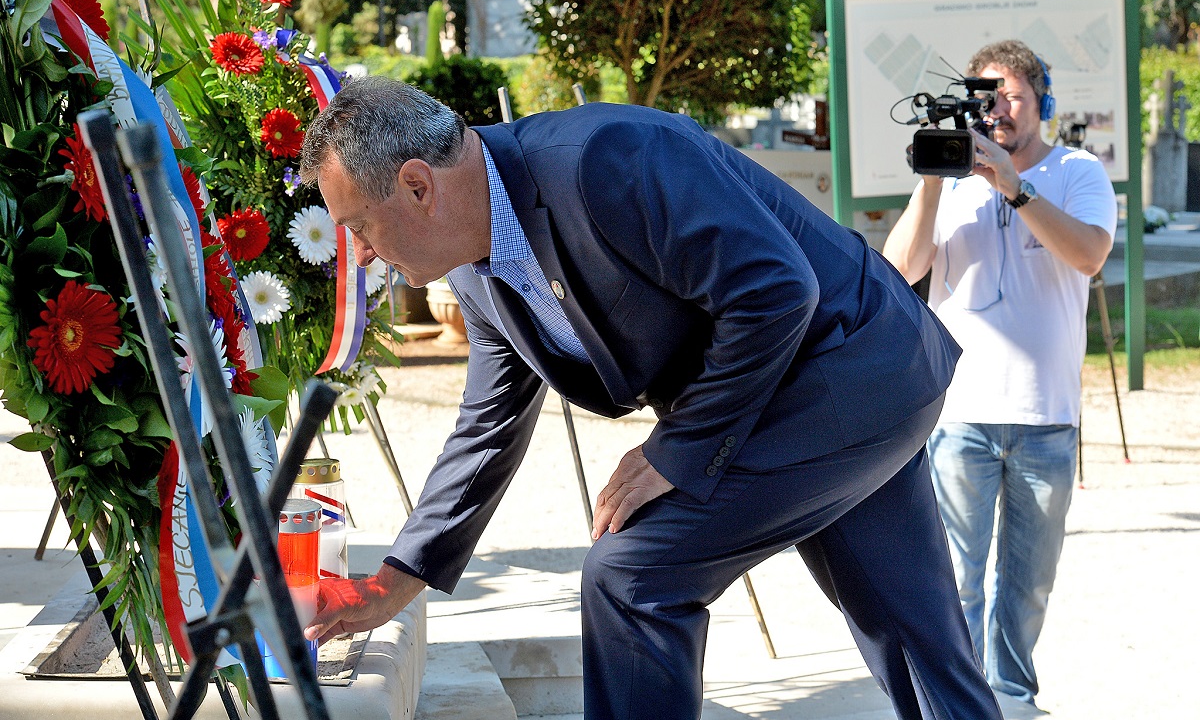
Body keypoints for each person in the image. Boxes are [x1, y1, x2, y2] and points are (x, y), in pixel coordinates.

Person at [298, 75, 1003, 720]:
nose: (358, 253)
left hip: (858, 366)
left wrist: (677, 450)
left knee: (633, 575)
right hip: (824, 387)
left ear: (417, 185)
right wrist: (398, 577)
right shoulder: (474, 270)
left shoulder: (604, 158)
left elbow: (777, 290)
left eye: (358, 225)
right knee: (923, 653)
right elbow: (488, 426)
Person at [883, 40, 1118, 704]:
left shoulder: (1077, 171)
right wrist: (934, 181)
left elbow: (1090, 254)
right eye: (988, 97)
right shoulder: (952, 183)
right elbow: (900, 268)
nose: (1000, 110)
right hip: (961, 416)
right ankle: (963, 704)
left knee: (1028, 584)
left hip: (1046, 417)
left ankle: (1012, 696)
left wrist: (1014, 188)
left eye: (1013, 95)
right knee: (954, 579)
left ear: (1043, 102)